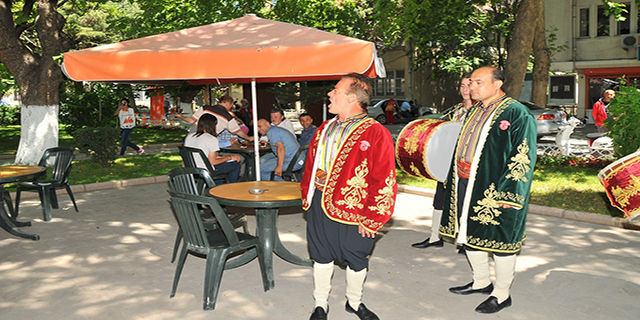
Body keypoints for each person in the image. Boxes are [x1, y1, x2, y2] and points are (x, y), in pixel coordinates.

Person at [440, 66, 537, 314]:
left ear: (498, 84)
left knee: (501, 239)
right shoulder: (474, 111)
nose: (472, 87)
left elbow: (523, 156)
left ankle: (502, 294)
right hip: (465, 180)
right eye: (471, 82)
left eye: (478, 82)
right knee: (469, 230)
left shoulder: (517, 113)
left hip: (495, 187)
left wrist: (510, 193)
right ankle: (481, 281)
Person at [301, 73, 397, 320]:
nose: (330, 94)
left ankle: (354, 303)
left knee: (356, 258)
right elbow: (312, 165)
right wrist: (308, 194)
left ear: (352, 97)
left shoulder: (376, 132)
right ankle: (320, 304)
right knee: (320, 254)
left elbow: (383, 178)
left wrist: (373, 217)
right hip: (319, 203)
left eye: (335, 91)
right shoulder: (325, 127)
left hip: (355, 211)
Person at [412, 73, 473, 249]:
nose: (465, 89)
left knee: (463, 203)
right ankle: (434, 237)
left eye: (469, 85)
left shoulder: (480, 112)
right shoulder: (455, 110)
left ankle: (465, 241)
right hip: (447, 165)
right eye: (462, 86)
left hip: (465, 165)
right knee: (439, 201)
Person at [184, 113, 242, 183]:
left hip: (192, 169)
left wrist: (225, 157)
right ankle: (231, 187)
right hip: (206, 170)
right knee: (235, 164)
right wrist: (229, 157)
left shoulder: (189, 137)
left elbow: (204, 156)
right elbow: (213, 162)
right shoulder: (211, 139)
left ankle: (217, 187)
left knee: (223, 165)